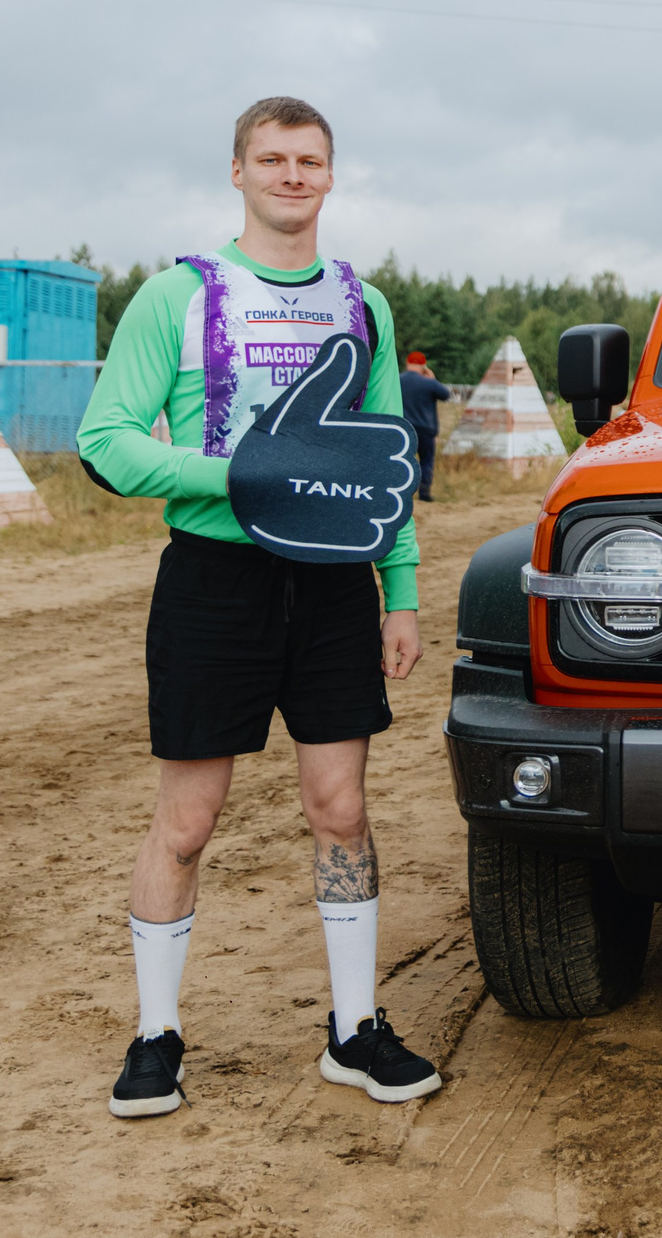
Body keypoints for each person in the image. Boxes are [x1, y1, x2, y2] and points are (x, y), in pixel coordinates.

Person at [78, 95, 443, 1120]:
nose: (292, 175)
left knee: (342, 806)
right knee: (187, 822)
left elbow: (385, 469)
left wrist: (401, 591)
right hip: (213, 579)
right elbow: (106, 437)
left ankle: (354, 1028)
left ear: (330, 175)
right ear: (236, 171)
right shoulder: (176, 295)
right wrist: (233, 469)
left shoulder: (362, 303)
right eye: (272, 158)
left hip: (332, 587)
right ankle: (155, 1035)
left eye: (309, 159)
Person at [400, 353, 452, 501]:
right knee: (426, 461)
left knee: (403, 460)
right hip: (426, 429)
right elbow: (445, 395)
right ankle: (424, 493)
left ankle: (402, 493)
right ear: (424, 366)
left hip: (405, 428)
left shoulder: (398, 380)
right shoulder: (428, 383)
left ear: (407, 363)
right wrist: (433, 380)